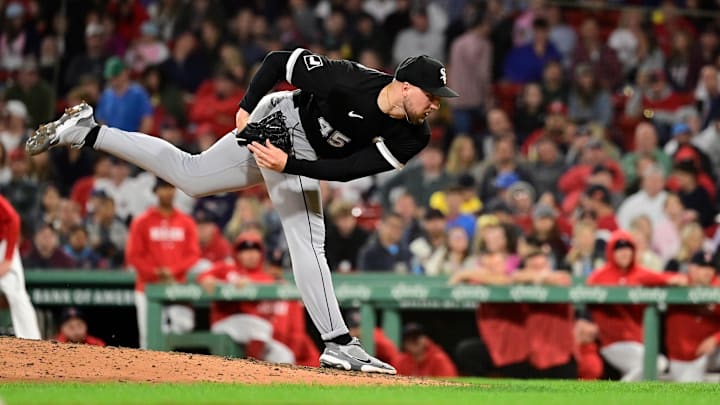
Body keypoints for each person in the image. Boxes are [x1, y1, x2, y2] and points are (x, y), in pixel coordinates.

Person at [27, 48, 460, 374]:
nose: (436, 103)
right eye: (431, 94)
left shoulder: (414, 135)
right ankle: (339, 342)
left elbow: (349, 170)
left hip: (297, 153)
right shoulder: (348, 79)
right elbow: (277, 62)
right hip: (281, 119)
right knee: (299, 234)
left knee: (194, 178)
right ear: (404, 85)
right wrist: (246, 107)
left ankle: (87, 131)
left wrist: (288, 165)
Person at [125, 179, 209, 349]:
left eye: (170, 188)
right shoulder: (142, 221)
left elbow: (194, 254)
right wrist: (156, 272)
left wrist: (173, 271)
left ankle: (173, 370)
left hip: (177, 285)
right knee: (149, 338)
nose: (167, 192)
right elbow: (133, 256)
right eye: (163, 188)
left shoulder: (186, 221)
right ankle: (149, 374)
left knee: (184, 327)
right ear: (155, 191)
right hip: (148, 286)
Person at [665, 251, 720, 382]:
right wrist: (666, 280)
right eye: (702, 267)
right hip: (682, 357)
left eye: (710, 267)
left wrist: (715, 339)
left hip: (711, 353)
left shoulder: (717, 286)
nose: (707, 271)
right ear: (692, 268)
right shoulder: (678, 284)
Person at [0, 194, 41, 339]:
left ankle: (32, 341)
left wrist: (8, 258)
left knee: (16, 293)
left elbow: (13, 219)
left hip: (3, 245)